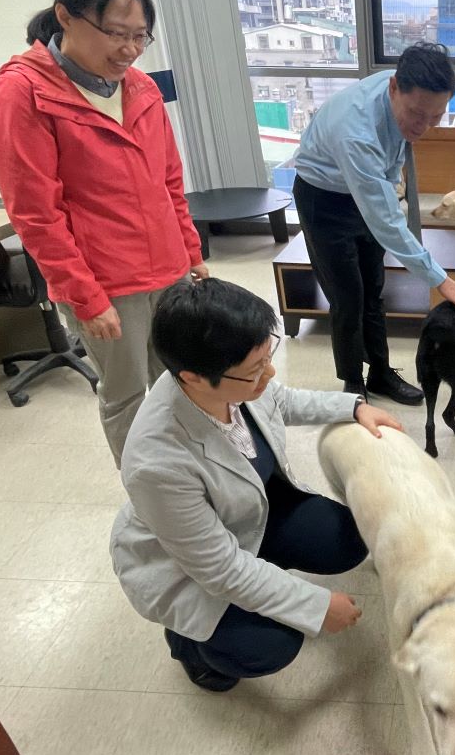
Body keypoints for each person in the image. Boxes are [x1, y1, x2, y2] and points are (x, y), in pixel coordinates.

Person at [111, 278, 400, 692]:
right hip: (188, 567)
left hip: (247, 516)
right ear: (192, 377)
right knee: (269, 645)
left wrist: (354, 407)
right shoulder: (156, 462)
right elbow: (221, 568)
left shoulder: (234, 377)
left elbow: (281, 399)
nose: (269, 373)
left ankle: (265, 573)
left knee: (349, 538)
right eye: (255, 370)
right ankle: (188, 646)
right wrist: (316, 606)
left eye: (269, 356)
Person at [0, 0, 205, 466]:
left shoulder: (139, 86)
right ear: (66, 17)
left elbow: (169, 180)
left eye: (140, 36)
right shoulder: (21, 95)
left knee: (181, 380)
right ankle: (150, 493)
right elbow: (37, 215)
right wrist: (85, 296)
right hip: (107, 283)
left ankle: (191, 474)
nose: (129, 50)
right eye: (116, 33)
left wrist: (190, 252)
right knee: (126, 396)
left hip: (167, 268)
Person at [293, 41, 455, 406]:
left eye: (436, 116)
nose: (424, 126)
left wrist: (394, 182)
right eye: (416, 114)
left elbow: (390, 175)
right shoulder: (356, 131)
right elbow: (386, 221)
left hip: (364, 184)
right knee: (348, 297)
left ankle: (379, 372)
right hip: (324, 197)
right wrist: (439, 279)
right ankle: (352, 383)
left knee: (374, 290)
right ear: (394, 87)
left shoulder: (404, 95)